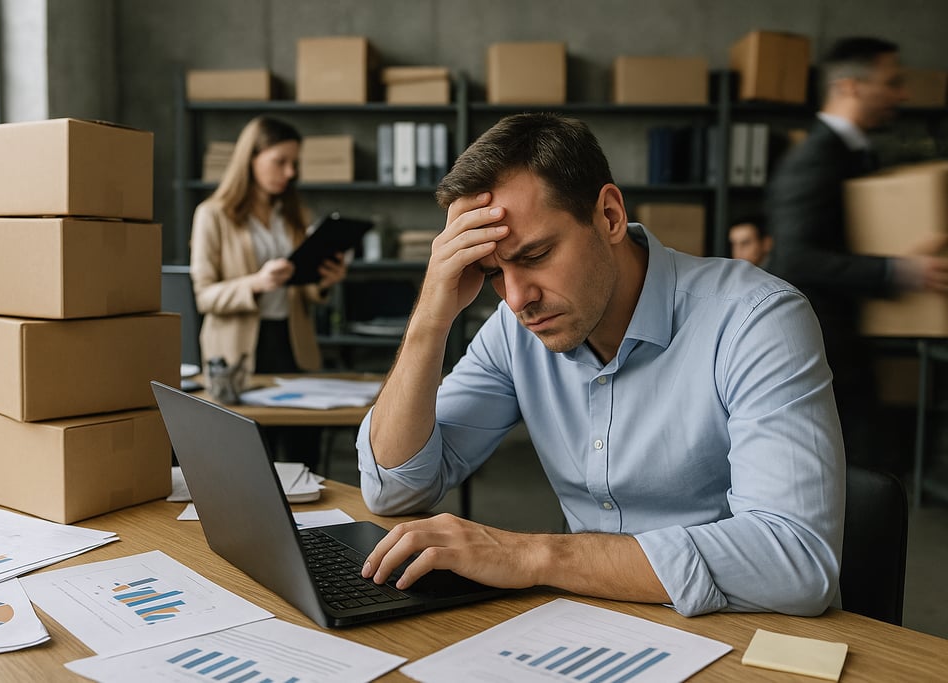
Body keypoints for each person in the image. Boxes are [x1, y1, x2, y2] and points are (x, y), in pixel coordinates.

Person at [355, 112, 845, 617]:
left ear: (609, 216)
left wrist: (531, 555)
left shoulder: (756, 320)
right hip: (592, 621)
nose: (518, 298)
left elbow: (796, 562)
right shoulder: (512, 328)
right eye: (492, 272)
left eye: (536, 254)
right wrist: (429, 321)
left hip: (736, 632)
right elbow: (393, 487)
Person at [765, 37, 948, 471]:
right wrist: (899, 271)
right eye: (893, 82)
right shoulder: (816, 157)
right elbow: (794, 259)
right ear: (849, 87)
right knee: (859, 473)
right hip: (819, 344)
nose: (902, 94)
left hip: (844, 342)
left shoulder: (853, 153)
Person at [190, 115, 348, 467]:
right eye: (281, 162)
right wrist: (256, 283)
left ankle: (306, 524)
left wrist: (322, 281)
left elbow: (302, 290)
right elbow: (204, 296)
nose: (290, 172)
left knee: (301, 456)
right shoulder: (212, 215)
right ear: (251, 159)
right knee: (247, 462)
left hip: (292, 345)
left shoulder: (294, 215)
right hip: (239, 351)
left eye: (295, 163)